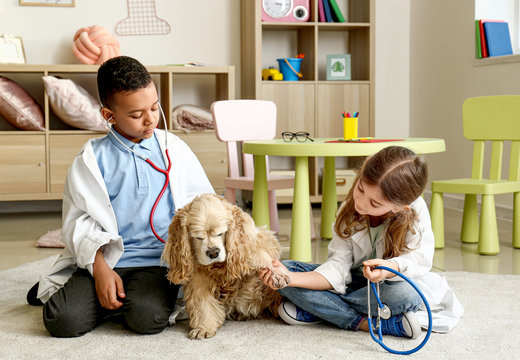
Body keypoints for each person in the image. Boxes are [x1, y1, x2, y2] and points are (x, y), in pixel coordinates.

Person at [26, 56, 215, 337]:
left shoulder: (174, 149)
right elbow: (78, 222)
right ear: (108, 115)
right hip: (107, 260)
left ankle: (118, 302)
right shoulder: (91, 158)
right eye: (137, 115)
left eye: (154, 107)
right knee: (61, 321)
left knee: (147, 320)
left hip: (157, 261)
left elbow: (206, 204)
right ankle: (101, 295)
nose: (151, 119)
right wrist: (100, 270)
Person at [260, 146, 463, 339]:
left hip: (387, 285)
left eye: (374, 203)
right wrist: (289, 279)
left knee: (407, 295)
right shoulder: (348, 211)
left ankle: (323, 310)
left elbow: (419, 260)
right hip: (352, 282)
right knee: (287, 270)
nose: (361, 202)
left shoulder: (416, 214)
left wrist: (390, 268)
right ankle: (368, 322)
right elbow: (338, 267)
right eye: (360, 188)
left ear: (400, 208)